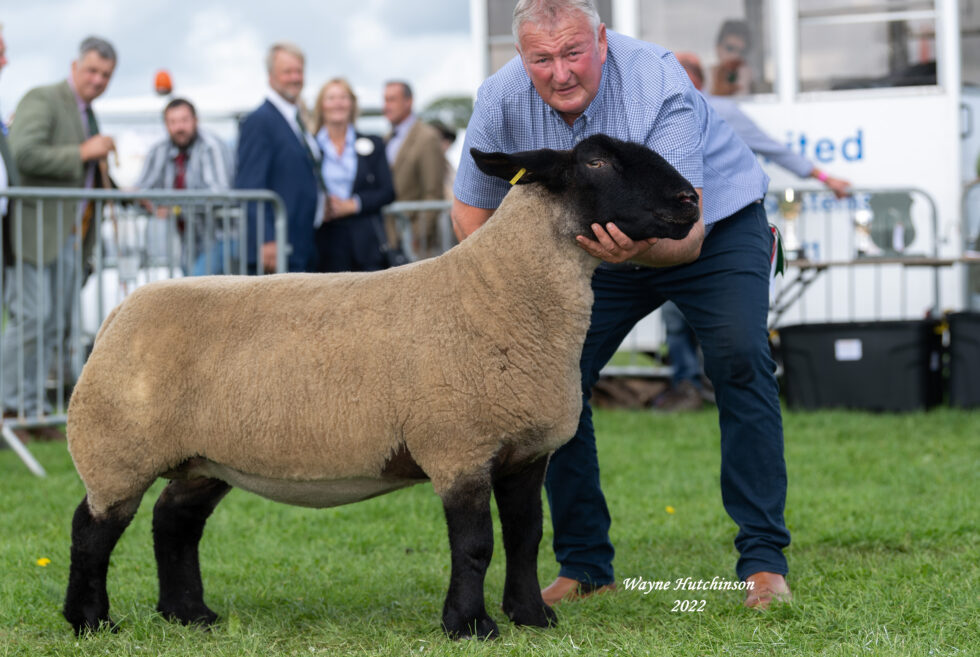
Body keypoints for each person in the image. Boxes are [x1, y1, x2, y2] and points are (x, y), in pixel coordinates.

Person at [452, 0, 791, 610]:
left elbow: (686, 235)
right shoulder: (500, 98)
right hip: (598, 248)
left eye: (574, 52)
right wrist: (511, 291)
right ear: (522, 58)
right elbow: (471, 211)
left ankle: (763, 561)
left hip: (712, 228)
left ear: (602, 42)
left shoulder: (657, 79)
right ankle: (585, 563)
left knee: (741, 359)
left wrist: (633, 248)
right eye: (542, 59)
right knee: (554, 383)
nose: (560, 72)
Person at [654, 52, 853, 412]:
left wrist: (824, 178)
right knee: (674, 315)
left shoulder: (719, 110)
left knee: (718, 321)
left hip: (720, 237)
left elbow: (771, 147)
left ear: (695, 80)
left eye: (675, 73)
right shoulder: (655, 114)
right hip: (675, 234)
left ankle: (716, 385)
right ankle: (685, 385)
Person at [3, 36, 117, 439]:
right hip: (35, 231)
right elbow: (23, 154)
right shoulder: (43, 98)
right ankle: (8, 408)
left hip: (71, 237)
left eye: (106, 74)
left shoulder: (89, 113)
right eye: (92, 70)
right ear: (75, 66)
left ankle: (31, 412)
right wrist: (82, 151)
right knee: (31, 319)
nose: (98, 79)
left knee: (53, 325)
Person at [235, 42, 323, 273]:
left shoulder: (296, 119)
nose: (295, 78)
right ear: (271, 76)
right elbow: (250, 186)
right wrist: (266, 239)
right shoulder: (260, 121)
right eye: (287, 72)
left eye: (299, 71)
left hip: (302, 240)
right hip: (279, 248)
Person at [134, 97, 235, 275]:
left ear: (195, 121)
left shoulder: (212, 146)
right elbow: (141, 189)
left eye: (184, 120)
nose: (179, 127)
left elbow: (219, 194)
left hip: (220, 238)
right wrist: (143, 200)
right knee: (191, 294)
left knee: (194, 293)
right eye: (173, 122)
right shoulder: (159, 150)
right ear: (166, 125)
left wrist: (174, 207)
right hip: (186, 244)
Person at [311, 78, 395, 272]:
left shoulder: (373, 144)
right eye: (331, 98)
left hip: (365, 242)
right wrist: (321, 205)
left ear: (352, 103)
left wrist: (354, 204)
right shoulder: (310, 146)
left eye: (343, 97)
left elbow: (388, 191)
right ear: (321, 105)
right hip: (324, 241)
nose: (338, 103)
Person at [382, 80, 446, 258]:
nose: (386, 106)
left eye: (392, 100)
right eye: (385, 100)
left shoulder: (427, 138)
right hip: (390, 239)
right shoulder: (387, 138)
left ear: (408, 101)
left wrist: (417, 235)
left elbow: (433, 192)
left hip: (415, 244)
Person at [709, 19, 754, 96]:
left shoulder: (749, 78)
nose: (735, 55)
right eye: (730, 48)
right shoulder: (704, 77)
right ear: (718, 48)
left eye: (742, 52)